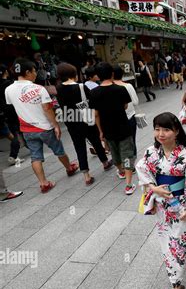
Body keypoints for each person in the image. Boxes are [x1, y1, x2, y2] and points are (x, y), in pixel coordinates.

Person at [135, 112, 186, 289]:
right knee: (166, 241)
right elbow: (141, 169)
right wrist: (153, 187)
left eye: (166, 129)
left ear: (176, 131)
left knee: (176, 243)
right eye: (157, 129)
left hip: (182, 205)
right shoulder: (151, 152)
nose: (161, 134)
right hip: (162, 204)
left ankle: (176, 285)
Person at [5, 59, 78, 194]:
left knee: (36, 156)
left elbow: (13, 107)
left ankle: (43, 183)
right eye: (34, 71)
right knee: (59, 150)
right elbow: (47, 109)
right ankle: (69, 168)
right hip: (45, 127)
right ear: (27, 72)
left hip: (27, 129)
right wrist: (55, 125)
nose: (35, 74)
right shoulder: (39, 89)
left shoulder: (8, 90)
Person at [56, 63, 113, 186]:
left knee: (79, 146)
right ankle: (105, 162)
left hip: (71, 120)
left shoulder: (59, 89)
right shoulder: (81, 87)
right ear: (74, 75)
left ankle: (86, 175)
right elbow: (91, 103)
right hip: (85, 119)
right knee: (96, 141)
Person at [89, 62, 136, 195]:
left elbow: (96, 114)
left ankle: (120, 171)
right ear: (112, 74)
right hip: (123, 127)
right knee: (127, 154)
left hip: (107, 129)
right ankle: (128, 184)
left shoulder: (93, 93)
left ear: (98, 76)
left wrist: (101, 131)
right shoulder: (121, 89)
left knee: (114, 153)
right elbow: (126, 106)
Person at [0, 64, 25, 166]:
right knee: (21, 130)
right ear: (6, 72)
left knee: (15, 132)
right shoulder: (9, 84)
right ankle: (14, 155)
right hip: (13, 109)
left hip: (5, 112)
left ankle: (15, 154)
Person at [112, 65, 139, 157]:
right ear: (122, 74)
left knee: (120, 143)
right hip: (130, 117)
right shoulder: (128, 86)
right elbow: (135, 102)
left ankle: (123, 164)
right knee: (132, 140)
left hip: (114, 120)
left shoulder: (107, 88)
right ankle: (131, 164)